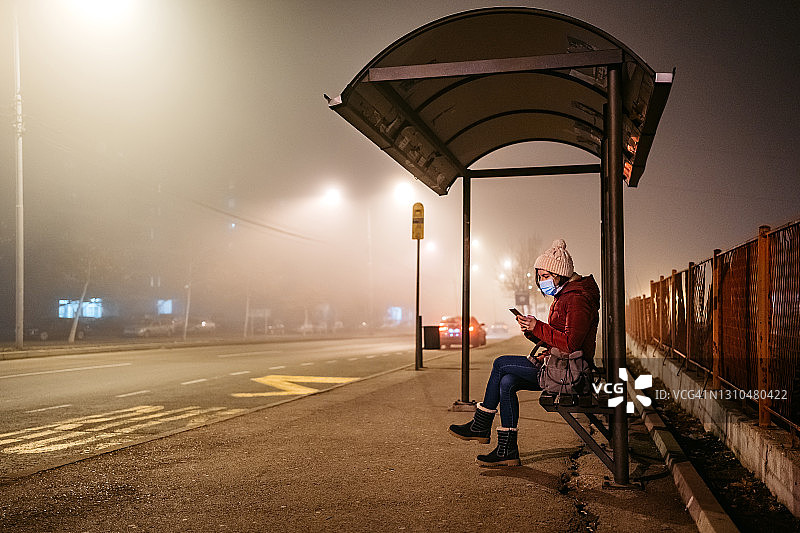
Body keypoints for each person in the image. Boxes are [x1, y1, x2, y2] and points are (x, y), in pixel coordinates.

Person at [448, 239, 600, 466]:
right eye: (539, 276)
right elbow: (556, 338)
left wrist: (537, 326)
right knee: (507, 382)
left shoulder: (577, 299)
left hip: (570, 372)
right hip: (558, 365)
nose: (541, 281)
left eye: (545, 276)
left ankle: (481, 424)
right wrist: (532, 331)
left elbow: (570, 344)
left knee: (500, 363)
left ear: (560, 274)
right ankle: (507, 450)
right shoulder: (566, 296)